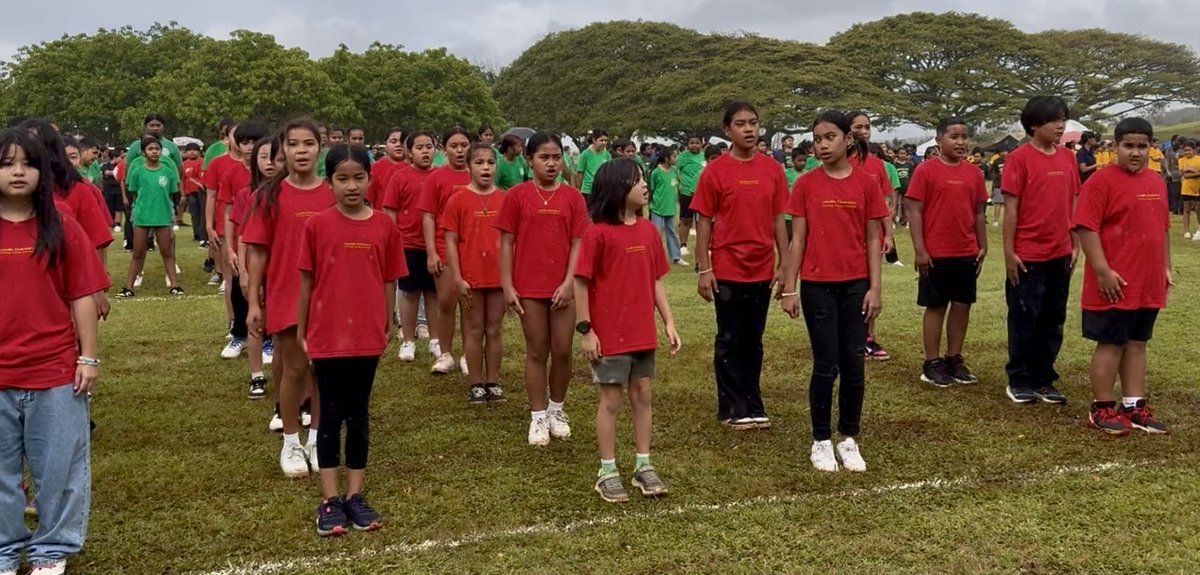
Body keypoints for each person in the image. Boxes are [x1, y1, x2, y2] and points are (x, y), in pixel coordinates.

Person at [0, 128, 108, 575]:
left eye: (28, 163)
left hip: (56, 369)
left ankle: (51, 550)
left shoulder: (61, 224)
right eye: (7, 163)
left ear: (44, 172)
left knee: (59, 470)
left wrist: (88, 356)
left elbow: (82, 294)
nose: (18, 171)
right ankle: (5, 550)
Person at [298, 143, 404, 537]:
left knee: (359, 416)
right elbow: (307, 281)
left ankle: (355, 496)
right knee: (330, 416)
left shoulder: (384, 225)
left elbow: (390, 278)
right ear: (329, 183)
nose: (351, 185)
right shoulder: (317, 225)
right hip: (327, 335)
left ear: (370, 179)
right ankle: (329, 500)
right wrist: (302, 328)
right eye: (342, 178)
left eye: (358, 177)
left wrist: (388, 321)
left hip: (367, 335)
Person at [778, 110, 886, 473]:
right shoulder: (807, 184)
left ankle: (848, 438)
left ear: (847, 139)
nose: (822, 146)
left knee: (854, 365)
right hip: (818, 287)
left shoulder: (867, 183)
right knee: (826, 366)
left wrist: (875, 287)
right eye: (817, 140)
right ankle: (821, 440)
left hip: (856, 286)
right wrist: (788, 288)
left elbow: (874, 237)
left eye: (830, 138)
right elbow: (798, 240)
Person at [575, 158, 680, 503]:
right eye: (638, 181)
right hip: (609, 334)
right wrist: (586, 330)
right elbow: (581, 283)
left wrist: (668, 321)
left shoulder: (650, 231)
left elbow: (656, 281)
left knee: (642, 396)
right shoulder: (597, 233)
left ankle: (643, 465)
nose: (645, 186)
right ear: (620, 188)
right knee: (611, 399)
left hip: (641, 332)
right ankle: (607, 471)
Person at [244, 119, 335, 478]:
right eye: (294, 144)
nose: (301, 150)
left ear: (320, 147)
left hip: (330, 297)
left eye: (309, 143)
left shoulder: (333, 192)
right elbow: (259, 254)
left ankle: (316, 439)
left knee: (323, 373)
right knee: (294, 368)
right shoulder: (270, 195)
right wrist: (253, 301)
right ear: (283, 149)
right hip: (286, 295)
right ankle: (291, 442)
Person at [693, 102, 789, 430]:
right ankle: (731, 406)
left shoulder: (773, 169)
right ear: (726, 130)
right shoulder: (715, 171)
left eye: (753, 123)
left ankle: (752, 400)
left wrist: (784, 264)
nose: (749, 129)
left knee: (754, 338)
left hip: (762, 268)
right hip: (727, 268)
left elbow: (779, 219)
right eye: (741, 124)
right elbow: (704, 220)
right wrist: (704, 269)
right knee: (730, 337)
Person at [1073, 117, 1172, 436]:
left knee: (1137, 342)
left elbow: (1163, 229)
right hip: (1114, 282)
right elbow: (1087, 228)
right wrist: (1102, 271)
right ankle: (1102, 407)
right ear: (1114, 147)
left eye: (1142, 146)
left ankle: (1134, 405)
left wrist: (1165, 267)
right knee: (1112, 342)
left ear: (1151, 148)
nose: (1135, 152)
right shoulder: (1101, 182)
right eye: (1128, 145)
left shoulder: (1156, 181)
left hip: (1147, 281)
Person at [496, 132, 588, 445]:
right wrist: (507, 285)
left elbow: (579, 243)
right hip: (528, 286)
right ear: (529, 160)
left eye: (556, 157)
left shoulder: (574, 197)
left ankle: (556, 409)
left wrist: (569, 282)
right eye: (544, 157)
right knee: (537, 350)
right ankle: (537, 416)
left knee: (562, 350)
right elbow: (506, 243)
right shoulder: (517, 196)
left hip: (564, 287)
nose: (551, 163)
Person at [1001, 96, 1079, 405]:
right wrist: (1009, 252)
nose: (1060, 125)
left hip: (1060, 252)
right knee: (1024, 318)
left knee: (1053, 318)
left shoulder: (1069, 159)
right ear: (1034, 124)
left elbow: (1074, 202)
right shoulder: (1018, 159)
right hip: (1027, 255)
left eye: (1063, 118)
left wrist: (1076, 244)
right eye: (1053, 120)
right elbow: (1011, 209)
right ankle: (1019, 378)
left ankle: (1044, 377)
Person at [905, 117, 989, 388]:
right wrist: (920, 249)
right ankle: (932, 362)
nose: (961, 142)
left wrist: (982, 243)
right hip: (935, 252)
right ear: (939, 140)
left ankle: (954, 358)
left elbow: (978, 212)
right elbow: (914, 210)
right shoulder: (926, 171)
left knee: (962, 305)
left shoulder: (974, 173)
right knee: (936, 305)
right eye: (954, 136)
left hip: (966, 251)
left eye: (965, 136)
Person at [443, 143, 508, 403]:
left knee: (494, 329)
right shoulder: (457, 199)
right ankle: (475, 383)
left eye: (490, 163)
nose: (485, 168)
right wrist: (457, 278)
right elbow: (450, 240)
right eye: (479, 163)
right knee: (473, 329)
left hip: (498, 276)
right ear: (469, 166)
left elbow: (511, 240)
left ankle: (493, 381)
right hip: (470, 275)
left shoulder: (505, 199)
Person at [419, 127, 474, 376]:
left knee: (469, 303)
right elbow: (428, 216)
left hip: (473, 248)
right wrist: (432, 252)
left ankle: (468, 354)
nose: (460, 150)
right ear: (444, 148)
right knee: (445, 301)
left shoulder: (477, 173)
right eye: (454, 145)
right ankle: (445, 354)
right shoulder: (436, 178)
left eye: (464, 145)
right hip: (444, 246)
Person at [230, 137, 280, 401]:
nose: (269, 163)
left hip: (285, 270)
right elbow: (242, 235)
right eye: (263, 157)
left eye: (275, 157)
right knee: (256, 320)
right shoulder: (245, 195)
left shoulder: (289, 192)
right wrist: (244, 270)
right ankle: (257, 375)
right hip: (257, 268)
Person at [383, 131, 439, 363]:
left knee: (434, 294)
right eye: (420, 147)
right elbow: (390, 212)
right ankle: (408, 340)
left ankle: (437, 340)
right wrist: (395, 243)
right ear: (409, 152)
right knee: (409, 294)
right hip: (409, 245)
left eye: (429, 146)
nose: (425, 151)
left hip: (436, 246)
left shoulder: (440, 176)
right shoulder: (400, 177)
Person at [847, 113, 899, 360]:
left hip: (873, 236)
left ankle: (868, 338)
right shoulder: (840, 161)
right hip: (846, 235)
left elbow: (884, 203)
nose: (865, 131)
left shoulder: (879, 165)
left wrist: (889, 233)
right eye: (859, 127)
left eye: (868, 127)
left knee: (871, 286)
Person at [218, 123, 270, 358]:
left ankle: (269, 338)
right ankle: (239, 333)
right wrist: (229, 248)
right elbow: (230, 215)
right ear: (237, 145)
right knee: (241, 288)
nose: (250, 147)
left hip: (269, 245)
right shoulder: (232, 175)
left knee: (270, 290)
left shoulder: (276, 174)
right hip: (243, 243)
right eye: (245, 142)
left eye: (254, 142)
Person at [117, 136, 183, 298]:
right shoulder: (137, 170)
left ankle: (175, 285)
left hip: (163, 216)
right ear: (143, 152)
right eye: (150, 149)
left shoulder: (168, 171)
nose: (154, 152)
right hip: (142, 216)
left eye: (157, 149)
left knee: (167, 251)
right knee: (138, 252)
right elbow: (133, 192)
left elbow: (172, 193)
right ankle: (129, 287)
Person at [648, 147, 687, 266]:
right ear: (666, 159)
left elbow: (677, 185)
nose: (676, 159)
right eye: (674, 156)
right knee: (656, 233)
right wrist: (651, 204)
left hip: (670, 207)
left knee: (671, 232)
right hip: (658, 207)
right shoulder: (656, 172)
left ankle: (676, 257)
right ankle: (653, 258)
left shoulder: (674, 170)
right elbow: (651, 189)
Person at [675, 135, 705, 256]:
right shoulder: (683, 157)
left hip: (702, 193)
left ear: (701, 143)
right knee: (686, 219)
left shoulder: (704, 156)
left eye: (697, 143)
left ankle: (702, 245)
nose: (694, 145)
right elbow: (675, 170)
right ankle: (683, 245)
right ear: (687, 144)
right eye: (691, 143)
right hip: (687, 192)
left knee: (701, 220)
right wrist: (680, 183)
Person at [367, 127, 406, 207]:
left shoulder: (417, 168)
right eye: (393, 141)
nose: (398, 145)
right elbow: (370, 201)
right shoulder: (374, 168)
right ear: (386, 144)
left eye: (402, 141)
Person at [573, 129, 610, 197]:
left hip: (602, 190)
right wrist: (578, 190)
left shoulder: (607, 155)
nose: (604, 143)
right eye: (601, 140)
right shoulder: (585, 154)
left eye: (606, 140)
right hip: (587, 191)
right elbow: (579, 173)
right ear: (594, 140)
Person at [182, 143, 206, 243]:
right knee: (194, 214)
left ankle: (202, 234)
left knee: (202, 213)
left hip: (200, 190)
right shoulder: (184, 164)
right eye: (189, 150)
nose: (192, 152)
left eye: (195, 150)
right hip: (190, 192)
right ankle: (196, 234)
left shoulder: (202, 162)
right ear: (186, 152)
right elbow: (182, 179)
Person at [1179, 142, 1200, 239]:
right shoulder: (1181, 160)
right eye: (1185, 150)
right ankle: (1186, 231)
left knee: (1198, 209)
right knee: (1186, 209)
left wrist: (1191, 170)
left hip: (1197, 187)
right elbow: (1184, 174)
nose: (1187, 152)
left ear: (1194, 150)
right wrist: (1195, 171)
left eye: (1189, 150)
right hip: (1186, 188)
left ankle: (1199, 229)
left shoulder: (1198, 159)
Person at [893, 146, 915, 227]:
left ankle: (906, 221)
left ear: (907, 155)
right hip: (897, 187)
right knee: (896, 205)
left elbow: (912, 176)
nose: (902, 155)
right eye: (901, 153)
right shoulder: (895, 165)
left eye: (904, 153)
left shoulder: (909, 165)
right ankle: (894, 221)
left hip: (907, 187)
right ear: (897, 155)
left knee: (906, 205)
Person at [988, 149, 1008, 227]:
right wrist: (996, 179)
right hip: (999, 184)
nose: (1004, 152)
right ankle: (995, 220)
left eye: (1005, 151)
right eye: (1002, 151)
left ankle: (1007, 221)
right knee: (998, 203)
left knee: (1008, 204)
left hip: (1009, 184)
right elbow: (992, 173)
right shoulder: (996, 162)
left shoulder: (1011, 160)